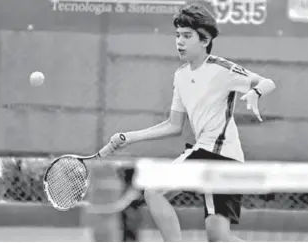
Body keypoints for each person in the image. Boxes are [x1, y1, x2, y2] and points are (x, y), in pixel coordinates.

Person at [106, 3, 276, 242]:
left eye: (187, 36)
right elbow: (173, 125)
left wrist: (255, 93)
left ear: (205, 40)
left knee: (153, 191)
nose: (180, 42)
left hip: (217, 154)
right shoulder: (181, 76)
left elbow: (266, 82)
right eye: (177, 36)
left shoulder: (222, 69)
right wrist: (131, 137)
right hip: (215, 157)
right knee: (218, 235)